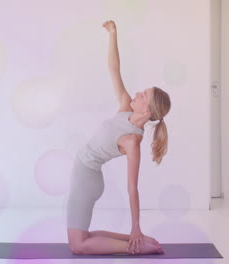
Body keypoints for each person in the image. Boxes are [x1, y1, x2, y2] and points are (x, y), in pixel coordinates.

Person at [66, 20, 171, 255]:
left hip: (86, 178)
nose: (136, 93)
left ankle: (134, 247)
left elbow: (132, 188)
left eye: (143, 95)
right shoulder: (126, 108)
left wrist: (136, 225)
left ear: (148, 110)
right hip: (87, 175)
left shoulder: (132, 141)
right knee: (84, 237)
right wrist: (113, 35)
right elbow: (114, 69)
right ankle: (136, 240)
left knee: (78, 245)